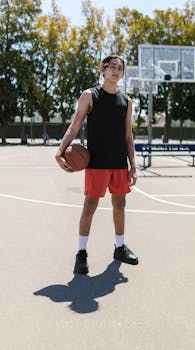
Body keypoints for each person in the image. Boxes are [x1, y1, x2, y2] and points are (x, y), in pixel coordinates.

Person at [55, 54, 138, 274]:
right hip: (97, 162)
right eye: (112, 66)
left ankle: (120, 247)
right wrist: (60, 151)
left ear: (122, 73)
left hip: (119, 163)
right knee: (89, 207)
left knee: (120, 205)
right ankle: (81, 253)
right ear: (103, 69)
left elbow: (128, 136)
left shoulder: (126, 101)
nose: (116, 70)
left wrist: (133, 164)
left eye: (120, 68)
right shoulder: (90, 95)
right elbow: (74, 126)